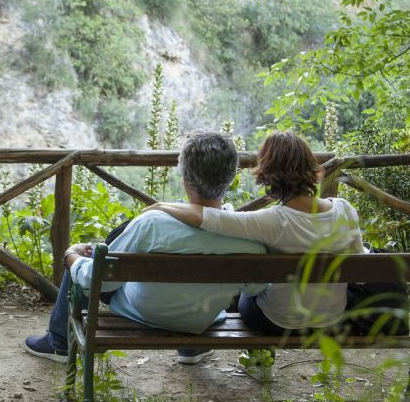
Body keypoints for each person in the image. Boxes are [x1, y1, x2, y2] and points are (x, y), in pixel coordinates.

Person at [23, 131, 267, 365]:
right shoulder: (246, 237)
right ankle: (193, 347)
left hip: (144, 313)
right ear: (232, 177)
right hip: (201, 320)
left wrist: (71, 257)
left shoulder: (150, 225)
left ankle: (59, 342)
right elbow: (255, 287)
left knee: (86, 259)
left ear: (184, 176)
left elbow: (100, 280)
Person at [144, 130, 363, 334]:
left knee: (247, 296)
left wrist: (161, 206)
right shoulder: (344, 210)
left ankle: (255, 356)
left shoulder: (273, 221)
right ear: (309, 165)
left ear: (268, 172)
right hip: (331, 319)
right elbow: (359, 269)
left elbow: (210, 218)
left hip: (278, 321)